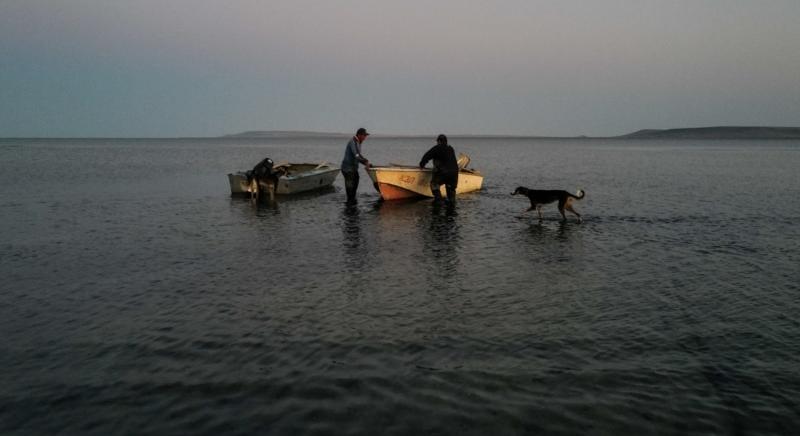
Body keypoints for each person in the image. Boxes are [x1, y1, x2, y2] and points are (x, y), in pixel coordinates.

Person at [419, 134, 459, 203]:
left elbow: (427, 156)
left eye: (437, 142)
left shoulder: (437, 148)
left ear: (439, 141)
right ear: (446, 141)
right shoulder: (451, 149)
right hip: (454, 174)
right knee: (451, 192)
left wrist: (422, 165)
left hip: (443, 172)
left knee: (434, 184)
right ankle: (451, 204)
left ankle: (439, 200)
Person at [341, 127, 371, 204]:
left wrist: (366, 161)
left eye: (365, 136)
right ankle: (349, 203)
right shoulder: (353, 142)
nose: (365, 138)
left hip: (353, 168)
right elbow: (356, 155)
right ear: (359, 135)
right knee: (350, 187)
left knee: (356, 181)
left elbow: (359, 155)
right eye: (364, 135)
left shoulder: (358, 142)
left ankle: (352, 202)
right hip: (347, 169)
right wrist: (365, 162)